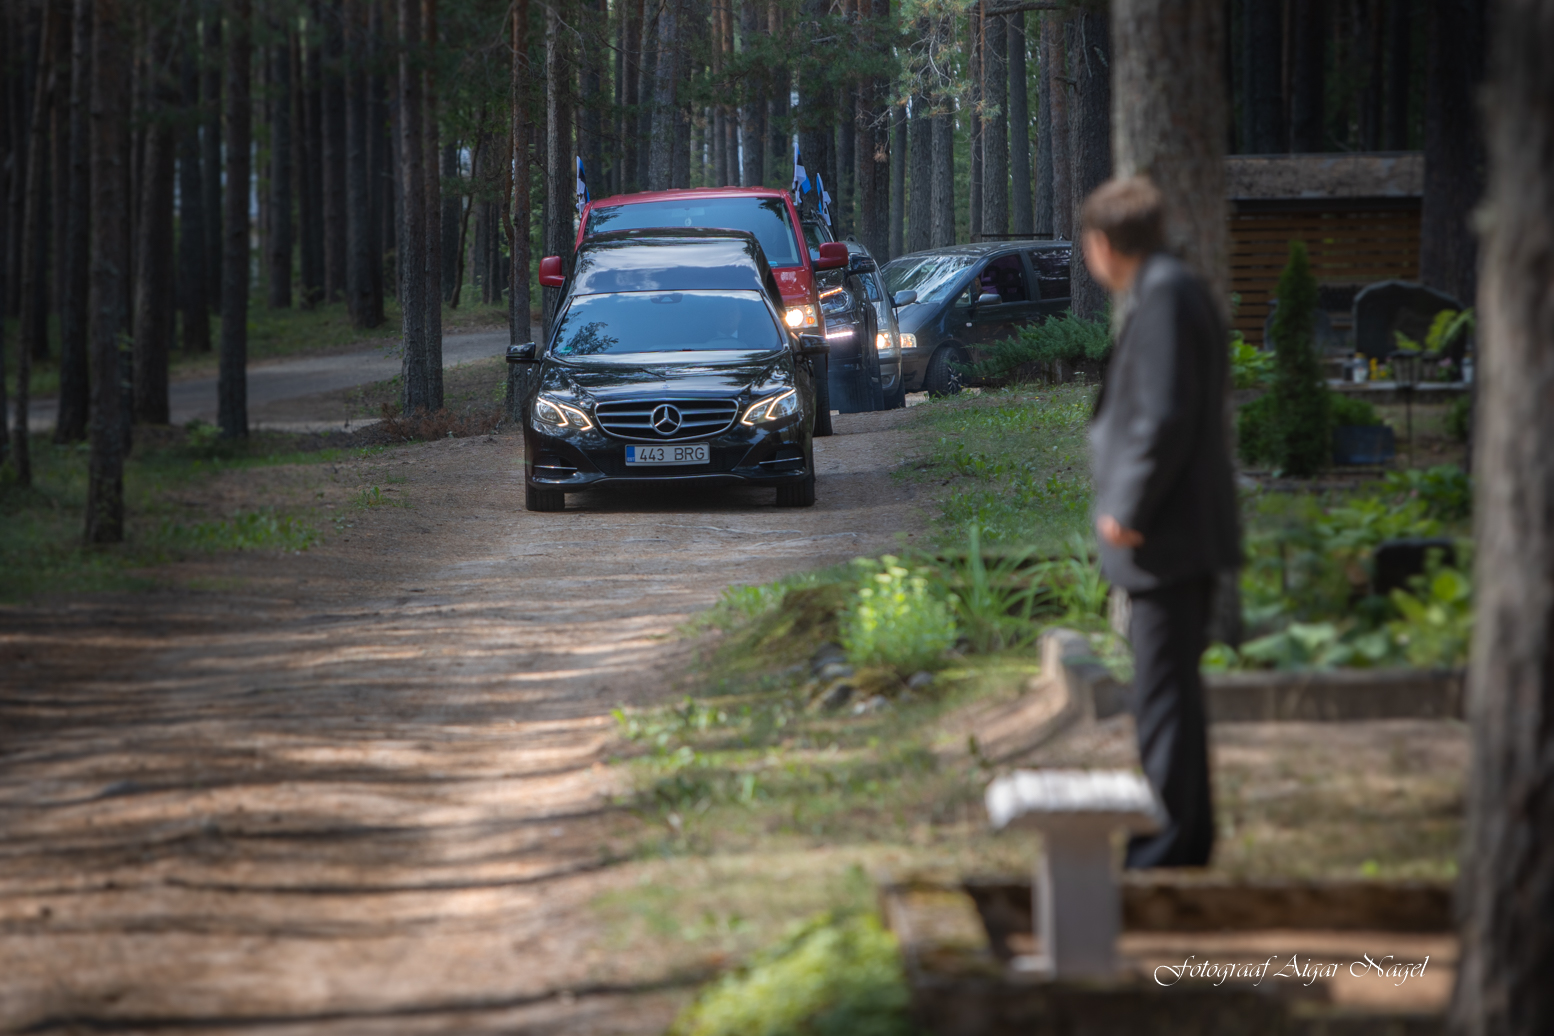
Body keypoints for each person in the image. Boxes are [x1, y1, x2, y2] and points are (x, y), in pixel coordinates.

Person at [1082, 176, 1242, 869]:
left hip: (1164, 537)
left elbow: (1166, 413)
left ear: (1103, 244)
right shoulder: (1167, 290)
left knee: (1163, 699)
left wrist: (1129, 508)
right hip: (1171, 537)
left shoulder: (1168, 296)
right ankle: (1184, 834)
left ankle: (1172, 845)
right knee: (1167, 695)